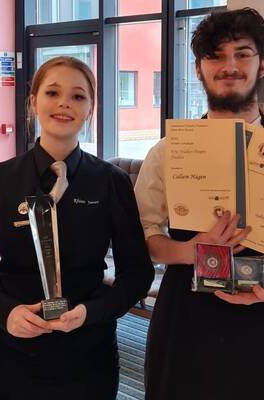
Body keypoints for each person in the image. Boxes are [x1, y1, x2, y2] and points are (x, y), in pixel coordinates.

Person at [0, 56, 154, 400]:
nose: (64, 103)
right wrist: (6, 312)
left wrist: (90, 312)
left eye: (78, 96)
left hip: (90, 352)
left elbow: (137, 273)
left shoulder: (111, 183)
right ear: (33, 102)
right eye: (52, 92)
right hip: (15, 354)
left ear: (91, 108)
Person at [135, 8, 264, 400]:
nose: (230, 66)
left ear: (262, 63)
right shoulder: (168, 151)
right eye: (215, 56)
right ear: (198, 69)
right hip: (187, 314)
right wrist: (188, 250)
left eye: (242, 53)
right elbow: (142, 235)